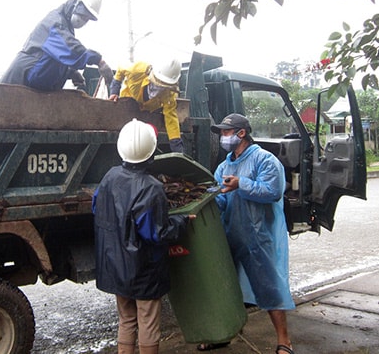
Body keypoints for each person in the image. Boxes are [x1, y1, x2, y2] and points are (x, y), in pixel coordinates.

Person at [92, 118, 194, 354]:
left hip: (116, 265)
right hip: (144, 270)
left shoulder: (109, 177)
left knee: (126, 320)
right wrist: (181, 222)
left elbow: (98, 210)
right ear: (151, 152)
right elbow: (157, 233)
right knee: (147, 321)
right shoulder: (151, 187)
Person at [203, 113, 295, 354]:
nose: (223, 137)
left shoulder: (265, 160)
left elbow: (272, 191)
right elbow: (220, 199)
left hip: (258, 236)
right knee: (224, 287)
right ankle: (222, 333)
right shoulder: (224, 166)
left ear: (241, 133)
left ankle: (284, 341)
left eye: (225, 132)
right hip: (230, 233)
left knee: (269, 286)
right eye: (222, 133)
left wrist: (241, 184)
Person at [1, 0, 113, 91]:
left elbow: (56, 57)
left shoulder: (66, 28)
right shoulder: (55, 23)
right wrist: (99, 61)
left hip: (31, 89)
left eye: (88, 19)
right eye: (83, 16)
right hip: (20, 82)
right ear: (75, 6)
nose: (84, 21)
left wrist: (70, 72)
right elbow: (69, 48)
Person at [108, 59, 184, 153]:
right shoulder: (137, 69)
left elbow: (170, 116)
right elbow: (120, 69)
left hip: (147, 114)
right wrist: (114, 90)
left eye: (166, 85)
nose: (161, 87)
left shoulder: (169, 93)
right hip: (127, 105)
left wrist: (176, 143)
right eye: (160, 82)